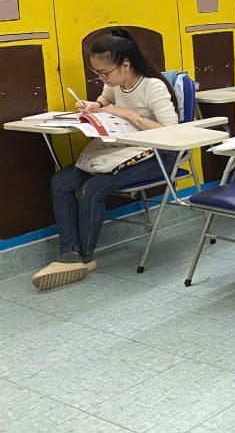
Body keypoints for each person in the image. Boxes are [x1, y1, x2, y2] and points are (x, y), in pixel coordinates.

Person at [32, 29, 180, 290]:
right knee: (61, 181)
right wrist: (94, 107)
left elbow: (172, 132)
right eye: (96, 72)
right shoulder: (115, 83)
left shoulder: (152, 86)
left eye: (104, 73)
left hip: (158, 154)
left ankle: (85, 256)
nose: (101, 78)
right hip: (121, 149)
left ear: (125, 65)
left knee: (93, 188)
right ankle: (70, 253)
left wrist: (129, 114)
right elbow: (105, 100)